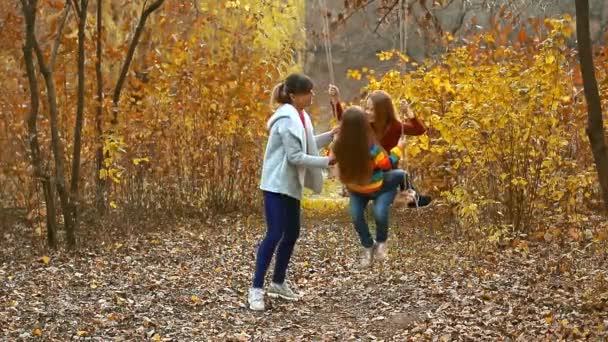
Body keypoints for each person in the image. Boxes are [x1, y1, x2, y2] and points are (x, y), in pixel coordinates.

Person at [248, 73, 338, 311]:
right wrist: (327, 162)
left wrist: (331, 136)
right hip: (276, 185)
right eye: (308, 92)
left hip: (291, 186)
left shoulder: (302, 116)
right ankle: (256, 289)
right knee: (275, 233)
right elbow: (295, 156)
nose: (312, 95)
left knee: (292, 234)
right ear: (294, 95)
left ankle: (277, 283)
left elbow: (307, 145)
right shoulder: (286, 119)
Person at [332, 106, 407, 268]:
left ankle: (381, 243)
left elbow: (386, 164)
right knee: (356, 216)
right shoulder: (339, 145)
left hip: (378, 187)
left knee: (380, 213)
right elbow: (332, 160)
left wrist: (398, 149)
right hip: (357, 191)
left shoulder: (371, 146)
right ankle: (368, 246)